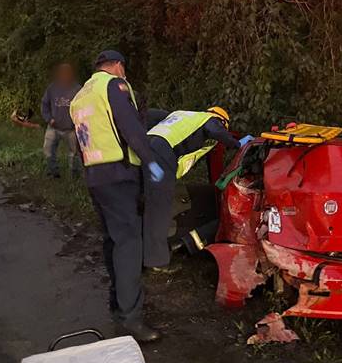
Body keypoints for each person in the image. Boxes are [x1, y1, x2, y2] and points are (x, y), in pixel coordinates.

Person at [69, 50, 165, 342]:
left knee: (113, 241)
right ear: (118, 66)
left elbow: (83, 138)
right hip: (120, 175)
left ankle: (117, 305)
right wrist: (151, 162)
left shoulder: (81, 96)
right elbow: (130, 127)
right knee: (129, 244)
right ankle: (131, 319)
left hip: (96, 177)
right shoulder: (114, 85)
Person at [144, 107, 249, 270]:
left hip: (146, 152)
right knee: (160, 210)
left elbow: (147, 115)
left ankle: (140, 252)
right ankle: (156, 262)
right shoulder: (208, 119)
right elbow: (213, 128)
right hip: (162, 155)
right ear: (222, 121)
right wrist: (236, 144)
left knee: (151, 203)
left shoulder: (182, 116)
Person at [41, 62, 81, 178]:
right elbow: (44, 104)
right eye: (63, 72)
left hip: (71, 128)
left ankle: (75, 177)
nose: (65, 75)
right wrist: (49, 118)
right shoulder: (52, 88)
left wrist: (78, 122)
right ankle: (53, 173)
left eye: (67, 72)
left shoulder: (78, 89)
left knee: (74, 154)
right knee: (48, 150)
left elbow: (84, 107)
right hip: (54, 127)